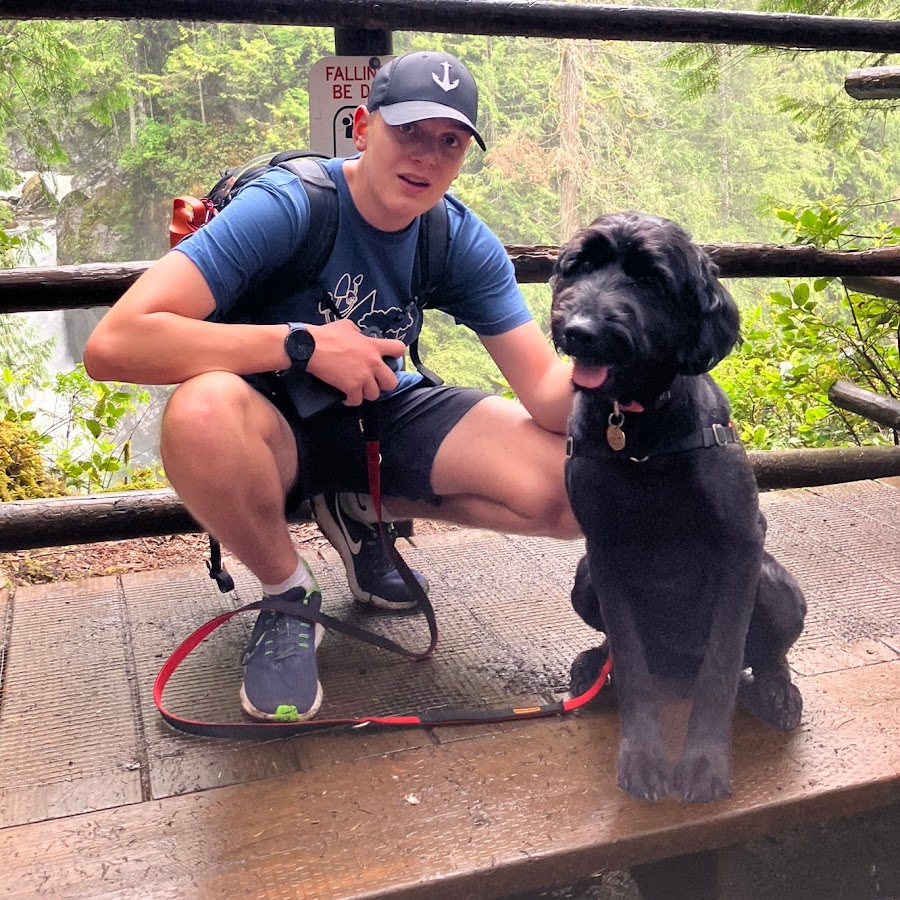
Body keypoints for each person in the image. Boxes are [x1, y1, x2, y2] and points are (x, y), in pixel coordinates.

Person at [84, 50, 579, 723]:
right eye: (408, 130)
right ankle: (288, 590)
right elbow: (115, 343)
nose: (427, 157)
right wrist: (302, 344)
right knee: (200, 412)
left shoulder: (456, 236)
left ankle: (357, 508)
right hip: (263, 427)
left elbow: (548, 394)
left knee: (572, 487)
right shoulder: (288, 207)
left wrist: (650, 379)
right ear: (363, 126)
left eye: (450, 142)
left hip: (378, 416)